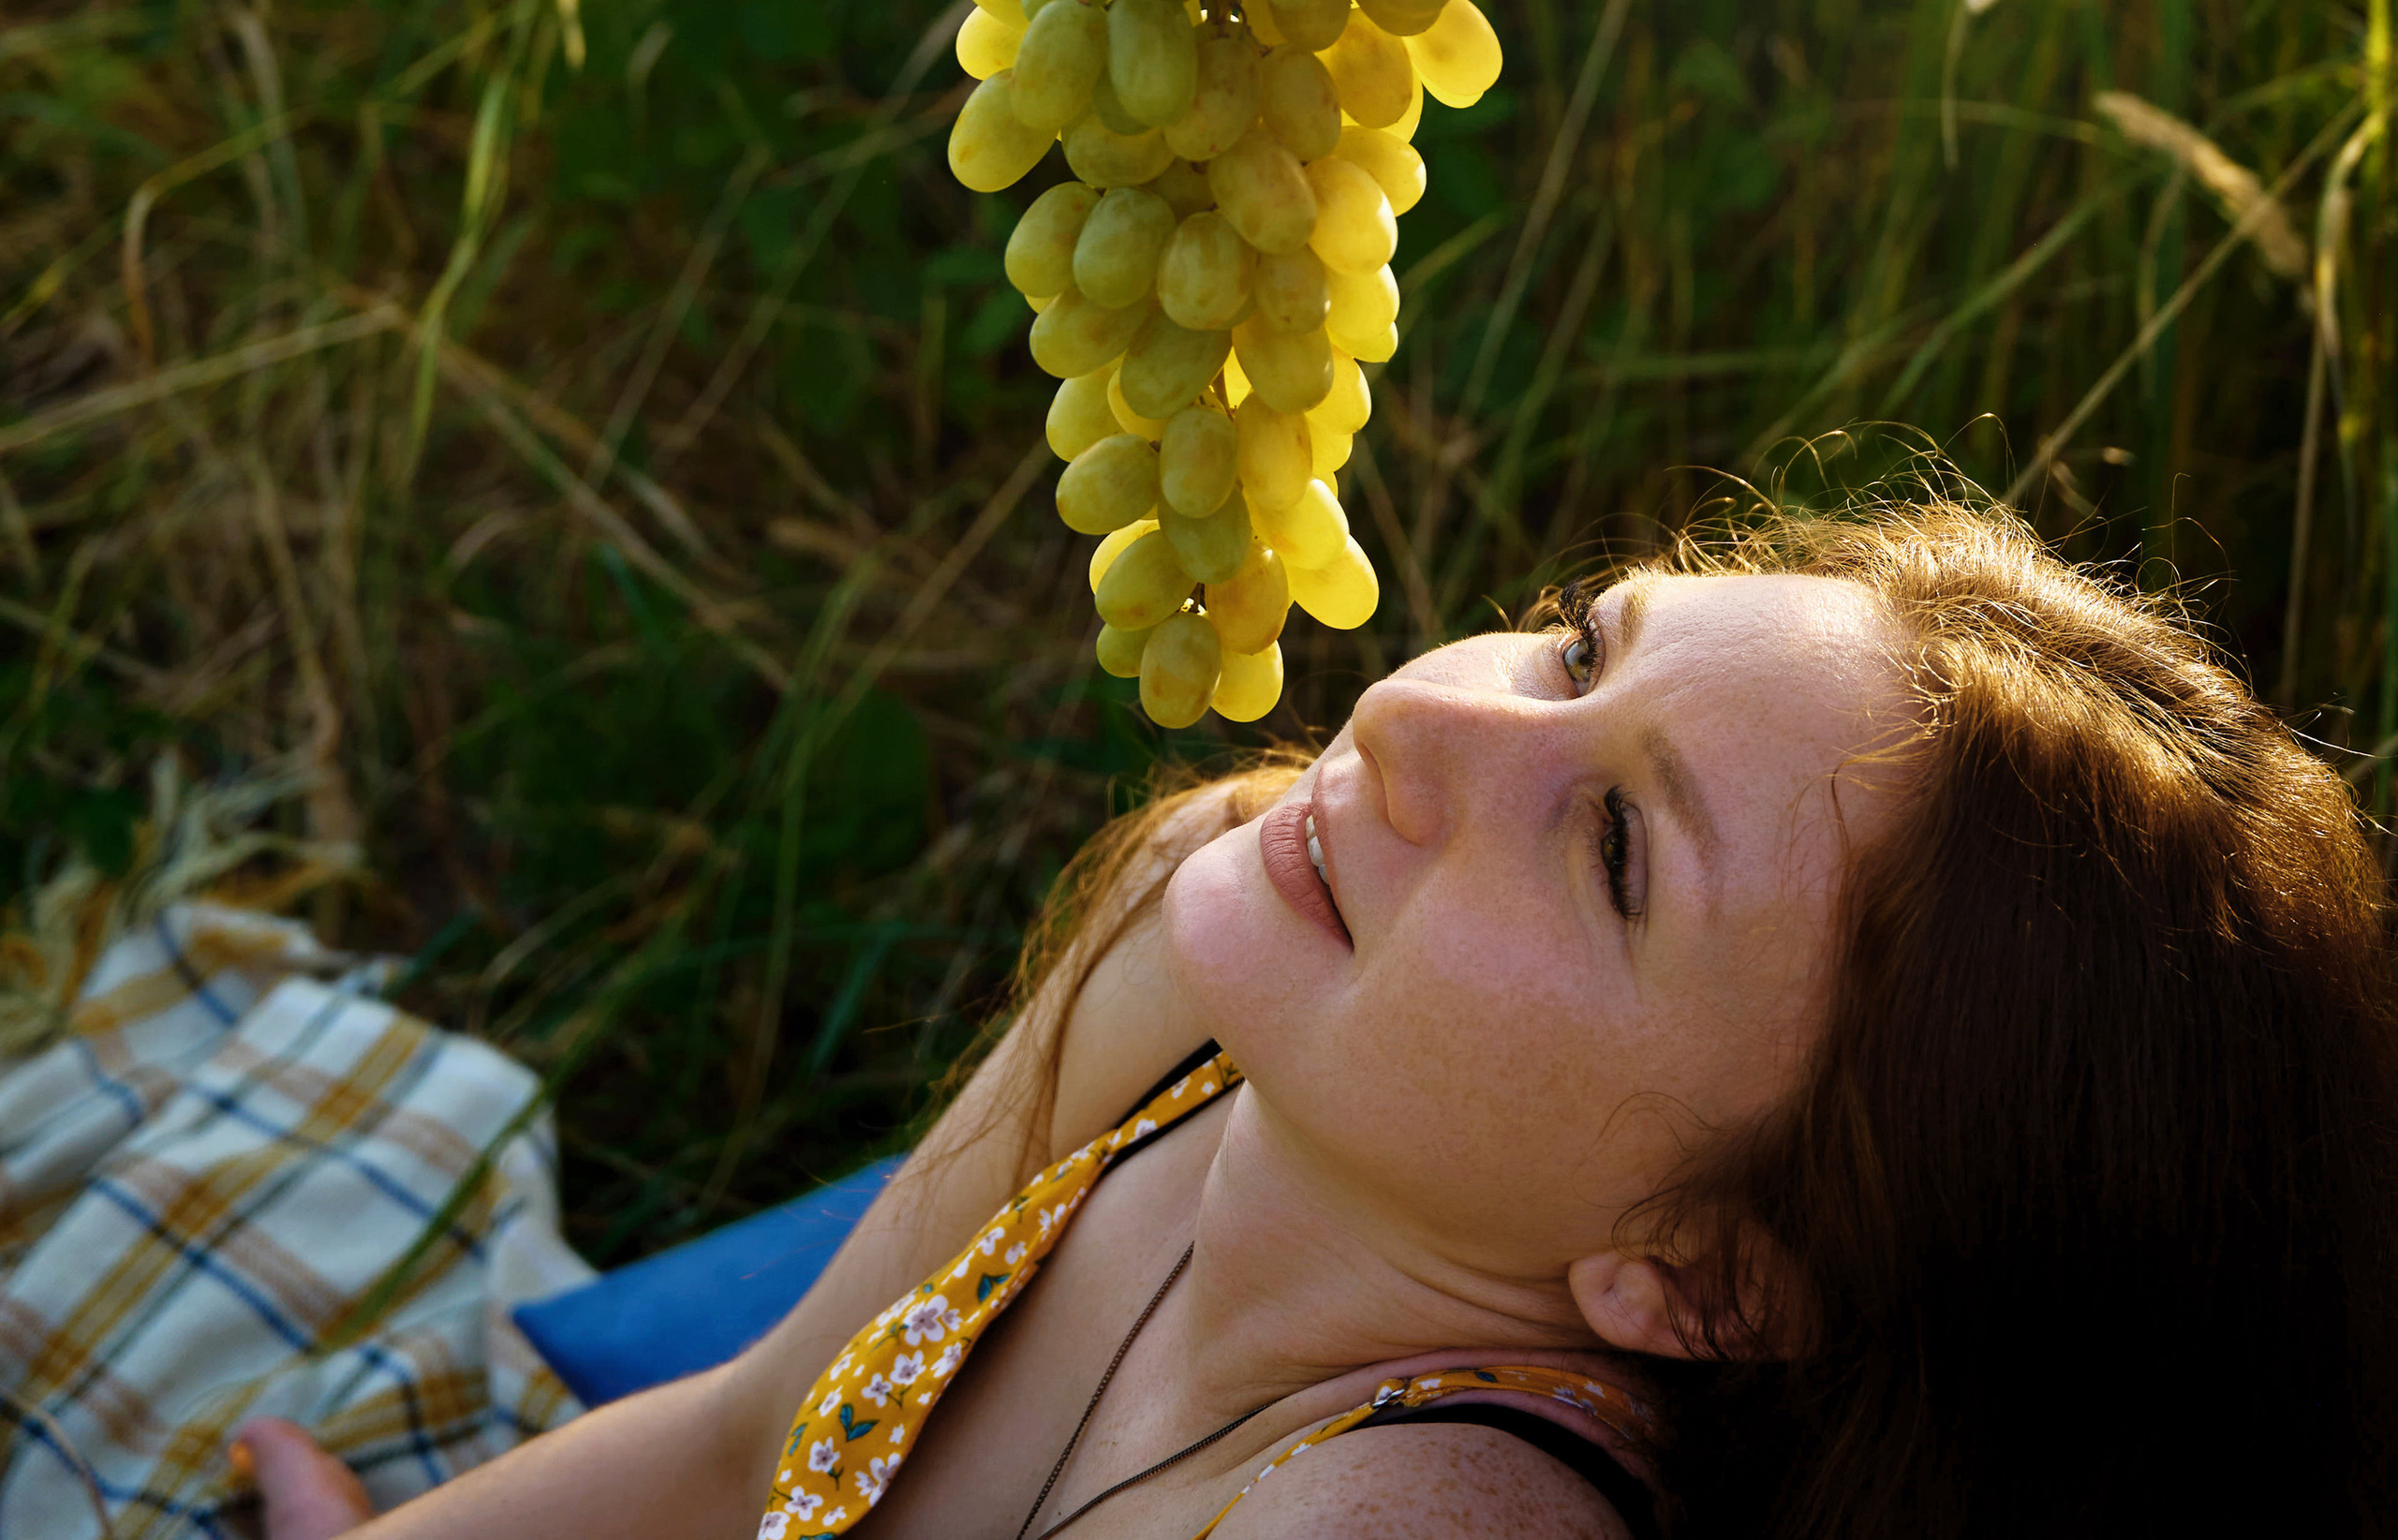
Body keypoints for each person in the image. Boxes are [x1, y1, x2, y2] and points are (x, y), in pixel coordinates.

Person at [228, 496, 2397, 1540]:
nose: (1415, 714)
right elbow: (742, 1445)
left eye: (1616, 848)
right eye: (1573, 647)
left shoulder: (1412, 1529)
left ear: (1711, 1275)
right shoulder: (1221, 920)